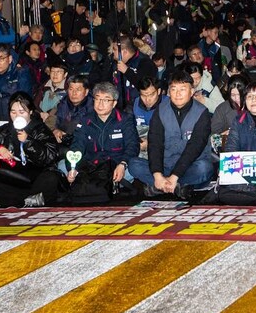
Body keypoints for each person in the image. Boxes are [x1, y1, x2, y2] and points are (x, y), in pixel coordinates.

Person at [128, 70, 214, 198]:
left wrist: (174, 176)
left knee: (204, 168)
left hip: (190, 166)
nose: (177, 94)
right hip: (165, 166)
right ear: (169, 92)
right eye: (173, 89)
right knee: (134, 164)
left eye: (182, 89)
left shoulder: (202, 113)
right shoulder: (160, 110)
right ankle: (176, 187)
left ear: (191, 92)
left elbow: (195, 147)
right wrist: (157, 174)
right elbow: (155, 144)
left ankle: (163, 186)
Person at [0, 92, 62, 207]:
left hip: (34, 176)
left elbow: (51, 156)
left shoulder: (41, 129)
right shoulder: (4, 130)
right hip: (14, 177)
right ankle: (26, 202)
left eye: (21, 112)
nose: (17, 115)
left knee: (51, 178)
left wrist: (28, 141)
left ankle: (14, 202)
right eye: (13, 112)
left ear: (31, 112)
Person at [66, 82, 140, 193]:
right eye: (97, 99)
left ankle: (106, 184)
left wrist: (123, 164)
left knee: (135, 166)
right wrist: (73, 168)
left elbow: (132, 145)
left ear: (114, 103)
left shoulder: (125, 119)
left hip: (117, 165)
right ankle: (103, 185)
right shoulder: (86, 120)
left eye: (106, 100)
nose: (100, 104)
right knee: (63, 165)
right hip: (92, 166)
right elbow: (77, 145)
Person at [111, 34, 157, 106]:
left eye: (114, 49)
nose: (112, 52)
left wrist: (127, 71)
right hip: (119, 108)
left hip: (139, 108)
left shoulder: (145, 63)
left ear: (124, 51)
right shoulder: (114, 62)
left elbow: (145, 86)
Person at [53, 75, 95, 145]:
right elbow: (54, 122)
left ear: (86, 92)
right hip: (63, 142)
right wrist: (56, 130)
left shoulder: (94, 107)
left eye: (78, 90)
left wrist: (66, 133)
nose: (74, 93)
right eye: (71, 89)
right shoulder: (63, 103)